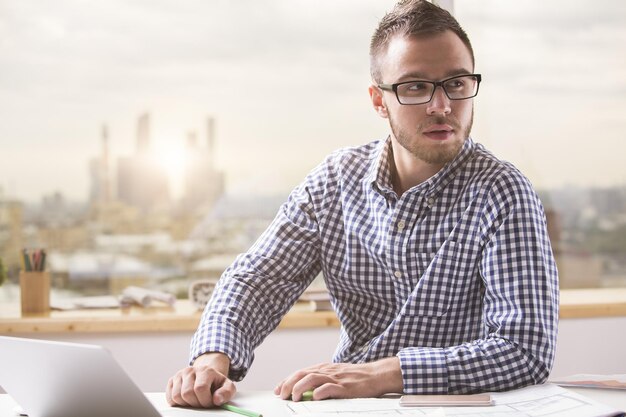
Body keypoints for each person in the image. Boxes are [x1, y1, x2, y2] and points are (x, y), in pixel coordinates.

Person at [166, 0, 559, 408]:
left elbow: (524, 351)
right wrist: (212, 361)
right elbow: (256, 282)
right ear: (378, 101)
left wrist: (380, 374)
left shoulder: (503, 191)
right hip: (348, 408)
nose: (441, 106)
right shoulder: (335, 181)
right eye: (415, 87)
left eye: (456, 84)